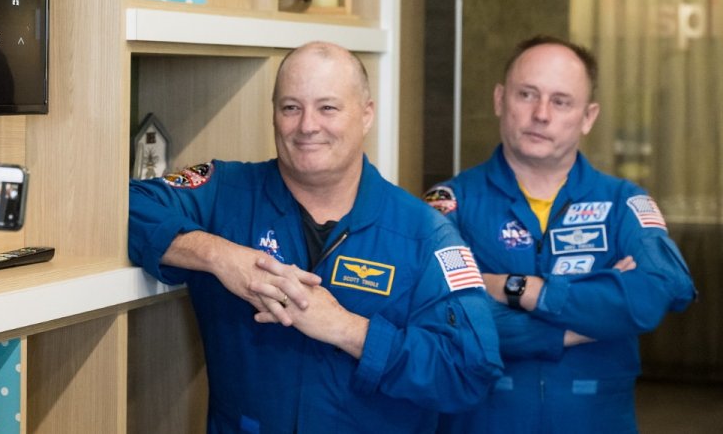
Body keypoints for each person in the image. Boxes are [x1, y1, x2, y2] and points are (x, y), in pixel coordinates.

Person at [129, 41, 504, 433]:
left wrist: (347, 329)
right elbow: (122, 202)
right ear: (273, 115)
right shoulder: (224, 194)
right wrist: (217, 255)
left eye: (328, 107)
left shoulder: (425, 234)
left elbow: (470, 370)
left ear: (366, 115)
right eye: (291, 107)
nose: (307, 125)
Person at [425, 36, 696, 433]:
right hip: (483, 419)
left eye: (561, 101)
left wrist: (519, 289)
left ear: (588, 117)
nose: (541, 114)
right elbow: (445, 317)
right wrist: (584, 324)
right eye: (527, 94)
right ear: (500, 99)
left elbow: (662, 287)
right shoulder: (449, 205)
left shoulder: (624, 203)